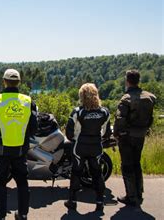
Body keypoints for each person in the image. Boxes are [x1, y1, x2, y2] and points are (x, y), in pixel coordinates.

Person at [0, 69, 38, 220]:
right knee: (22, 182)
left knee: (0, 182)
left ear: (4, 81)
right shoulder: (28, 101)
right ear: (19, 82)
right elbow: (34, 127)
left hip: (0, 150)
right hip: (20, 150)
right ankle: (22, 214)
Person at [64, 83, 111, 212]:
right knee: (97, 173)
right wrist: (98, 138)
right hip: (96, 146)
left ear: (81, 96)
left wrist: (75, 138)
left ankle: (72, 201)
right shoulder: (104, 112)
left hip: (80, 147)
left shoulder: (77, 112)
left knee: (76, 172)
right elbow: (107, 133)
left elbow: (68, 133)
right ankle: (100, 202)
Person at [114, 70, 156, 207]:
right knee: (136, 163)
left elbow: (120, 119)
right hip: (141, 135)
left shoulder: (126, 98)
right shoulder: (150, 97)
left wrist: (117, 134)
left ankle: (131, 196)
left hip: (127, 136)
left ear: (127, 81)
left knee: (127, 165)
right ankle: (139, 193)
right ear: (138, 80)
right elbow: (151, 118)